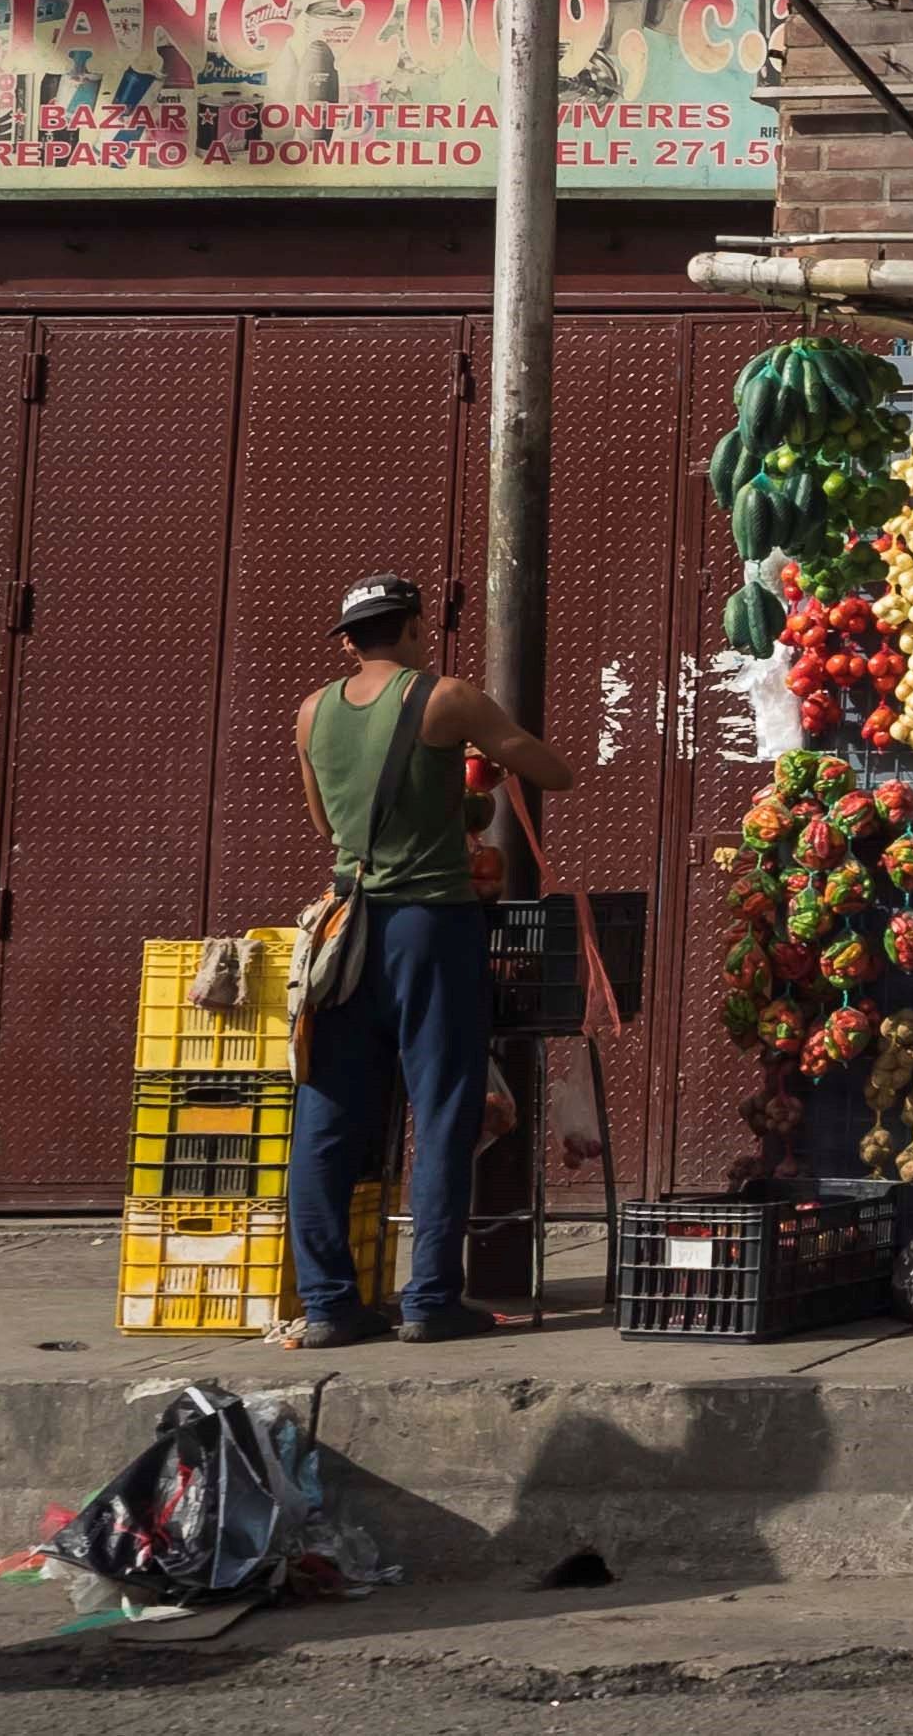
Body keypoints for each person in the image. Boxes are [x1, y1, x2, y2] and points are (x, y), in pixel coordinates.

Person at [284, 572, 577, 1350]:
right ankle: (431, 1298)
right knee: (442, 1112)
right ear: (415, 626)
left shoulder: (311, 712)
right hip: (430, 926)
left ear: (348, 641)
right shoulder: (447, 697)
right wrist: (482, 753)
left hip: (345, 931)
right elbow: (553, 770)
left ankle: (327, 1303)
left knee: (326, 1117)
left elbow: (326, 822)